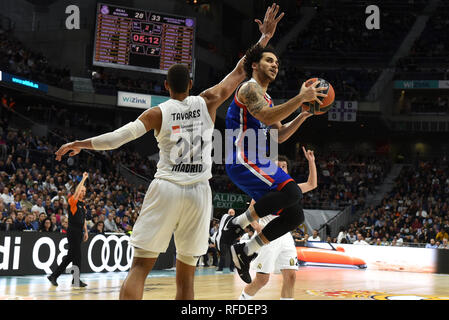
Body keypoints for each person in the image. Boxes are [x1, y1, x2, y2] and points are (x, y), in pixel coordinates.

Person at [52, 4, 284, 300]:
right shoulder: (207, 100)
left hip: (166, 189)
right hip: (200, 193)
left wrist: (79, 144)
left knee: (139, 268)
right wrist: (263, 38)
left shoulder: (157, 113)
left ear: (166, 86)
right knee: (186, 279)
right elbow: (239, 71)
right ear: (190, 84)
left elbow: (117, 138)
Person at [215, 17, 328, 283]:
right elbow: (265, 117)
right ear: (254, 65)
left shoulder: (267, 98)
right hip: (241, 158)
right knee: (290, 191)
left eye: (277, 62)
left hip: (258, 161)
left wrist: (303, 114)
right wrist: (300, 97)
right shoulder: (248, 88)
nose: (275, 64)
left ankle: (246, 250)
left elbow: (279, 134)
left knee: (295, 213)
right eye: (269, 61)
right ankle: (234, 225)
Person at [239, 150, 317, 300]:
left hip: (285, 236)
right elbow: (250, 213)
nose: (282, 168)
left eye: (284, 166)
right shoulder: (264, 190)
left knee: (291, 276)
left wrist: (311, 161)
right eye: (278, 166)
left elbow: (312, 184)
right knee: (262, 280)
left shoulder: (292, 190)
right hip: (267, 234)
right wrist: (257, 227)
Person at [47, 172, 89, 287]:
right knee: (77, 256)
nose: (83, 192)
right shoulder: (73, 201)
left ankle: (54, 276)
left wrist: (85, 231)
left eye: (85, 191)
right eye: (82, 190)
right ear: (77, 191)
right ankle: (75, 280)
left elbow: (83, 218)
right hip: (73, 231)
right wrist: (84, 178)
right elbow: (76, 192)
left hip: (79, 232)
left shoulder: (83, 204)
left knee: (71, 256)